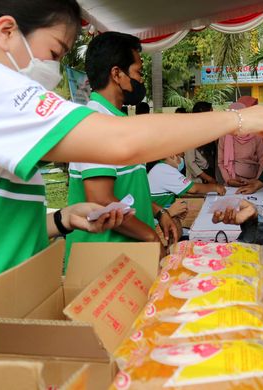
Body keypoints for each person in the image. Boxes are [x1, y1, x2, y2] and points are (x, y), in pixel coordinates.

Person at [0, 0, 263, 363]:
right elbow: (121, 143)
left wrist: (62, 219)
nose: (56, 70)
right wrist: (238, 118)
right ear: (6, 32)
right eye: (56, 52)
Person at [64, 32, 180, 262]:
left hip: (125, 256)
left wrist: (158, 211)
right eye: (138, 72)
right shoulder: (96, 122)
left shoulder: (114, 121)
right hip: (101, 262)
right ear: (117, 74)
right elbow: (101, 200)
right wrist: (150, 237)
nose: (140, 80)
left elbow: (124, 193)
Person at [218, 97, 263, 186]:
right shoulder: (224, 136)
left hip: (253, 182)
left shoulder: (256, 135)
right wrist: (228, 180)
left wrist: (257, 181)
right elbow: (221, 162)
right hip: (231, 182)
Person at [149, 153, 226, 209]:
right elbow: (193, 188)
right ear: (172, 156)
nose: (183, 160)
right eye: (182, 156)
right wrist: (215, 187)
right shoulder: (164, 169)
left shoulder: (161, 168)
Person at [184, 101, 218, 184]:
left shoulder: (211, 131)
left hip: (211, 174)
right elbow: (190, 162)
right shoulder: (191, 133)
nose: (213, 116)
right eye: (210, 112)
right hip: (199, 179)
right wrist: (208, 178)